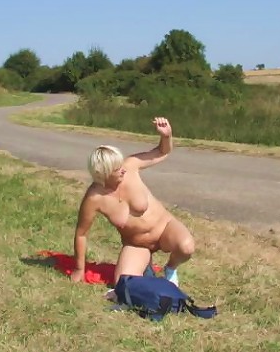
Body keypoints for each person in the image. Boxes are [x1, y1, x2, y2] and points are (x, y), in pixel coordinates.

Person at [70, 117, 195, 286]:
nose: (123, 170)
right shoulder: (94, 198)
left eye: (121, 164)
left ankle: (170, 269)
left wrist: (166, 136)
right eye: (117, 169)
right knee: (123, 284)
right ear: (103, 174)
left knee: (186, 247)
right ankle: (146, 266)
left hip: (164, 229)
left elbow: (162, 151)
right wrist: (79, 269)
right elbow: (81, 234)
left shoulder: (130, 166)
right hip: (137, 245)